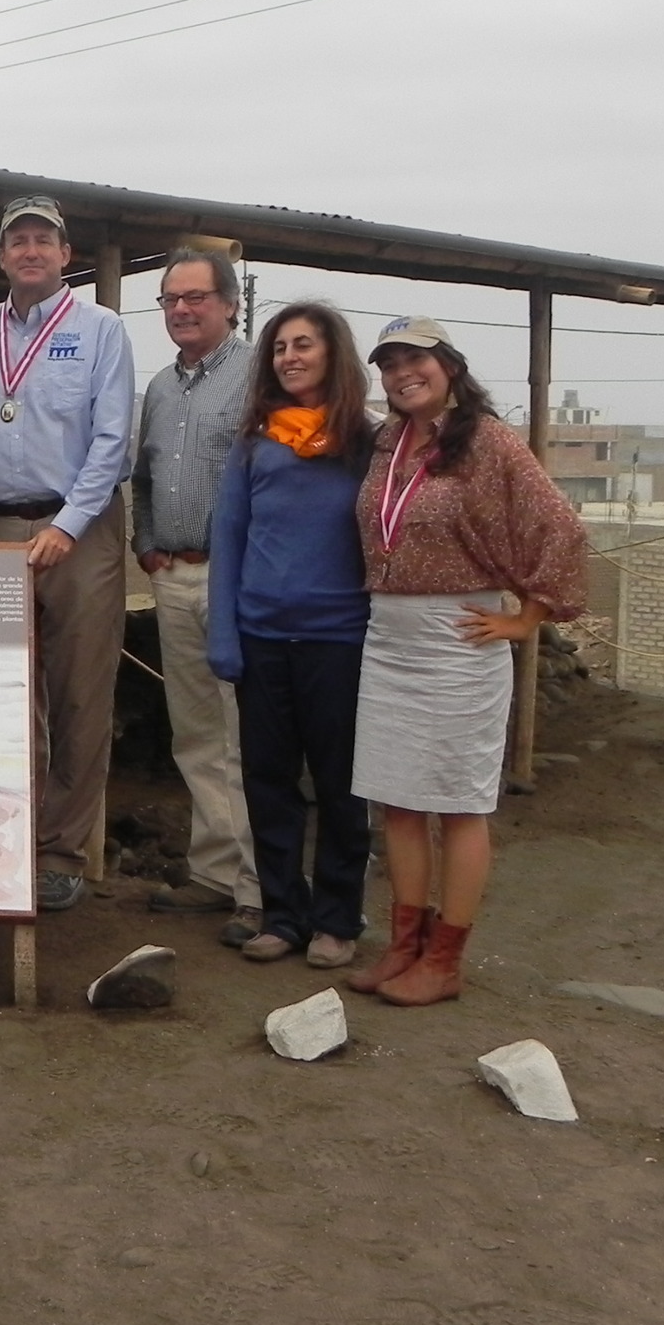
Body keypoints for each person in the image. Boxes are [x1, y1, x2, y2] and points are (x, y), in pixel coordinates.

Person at [346, 316, 587, 1006]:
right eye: (389, 364)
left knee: (455, 802)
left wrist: (526, 617)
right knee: (394, 799)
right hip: (389, 635)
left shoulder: (485, 440)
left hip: (458, 637)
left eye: (414, 359)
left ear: (448, 364)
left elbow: (561, 525)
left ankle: (446, 958)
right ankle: (404, 946)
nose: (401, 374)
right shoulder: (390, 441)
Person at [0, 195, 134, 913]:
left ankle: (59, 851)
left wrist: (68, 521)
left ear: (66, 255)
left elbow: (112, 438)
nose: (31, 250)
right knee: (4, 695)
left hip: (78, 529)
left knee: (78, 692)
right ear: (1, 256)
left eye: (44, 240)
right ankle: (3, 840)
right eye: (18, 240)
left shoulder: (101, 330)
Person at [207, 302, 377, 968]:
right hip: (263, 639)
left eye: (303, 344)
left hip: (339, 640)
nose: (290, 357)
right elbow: (229, 536)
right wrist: (226, 637)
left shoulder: (367, 444)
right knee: (269, 783)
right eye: (279, 348)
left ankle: (338, 917)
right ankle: (283, 913)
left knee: (341, 786)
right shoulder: (255, 443)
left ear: (334, 353)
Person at [130, 245, 262, 937]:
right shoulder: (158, 388)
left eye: (196, 298)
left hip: (235, 579)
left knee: (247, 734)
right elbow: (145, 480)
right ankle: (213, 870)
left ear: (231, 304)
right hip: (174, 576)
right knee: (196, 733)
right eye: (171, 300)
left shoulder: (256, 379)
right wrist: (146, 545)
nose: (181, 309)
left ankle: (257, 885)